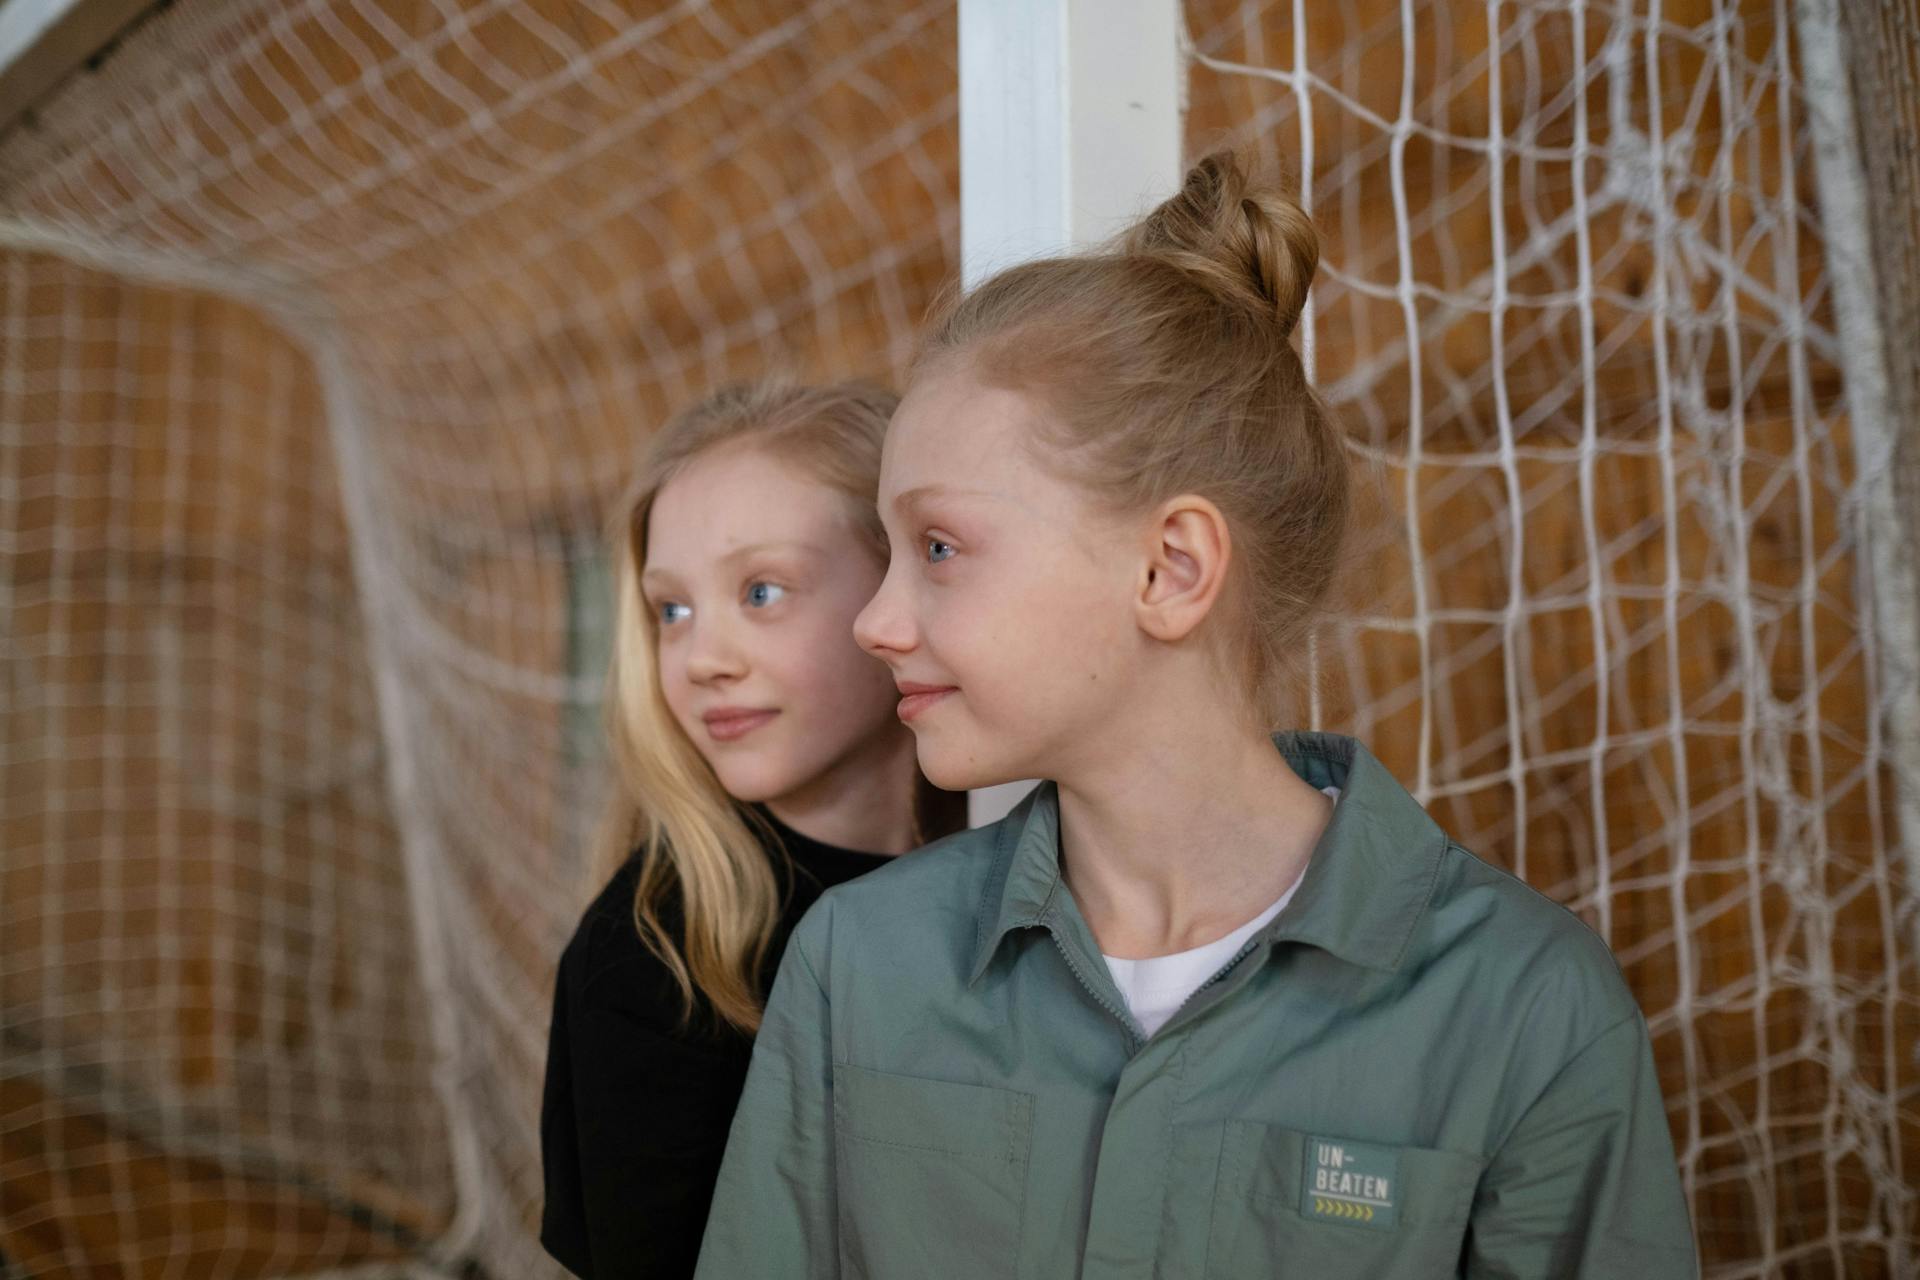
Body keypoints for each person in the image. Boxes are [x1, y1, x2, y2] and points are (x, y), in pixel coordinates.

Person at [693, 155, 1697, 1277]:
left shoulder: (1527, 1006)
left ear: (1171, 567)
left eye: (938, 548)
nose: (876, 621)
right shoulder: (855, 965)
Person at [539, 380, 968, 1279]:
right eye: (672, 611)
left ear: (900, 589)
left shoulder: (1019, 869)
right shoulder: (651, 960)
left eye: (762, 591)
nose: (704, 660)